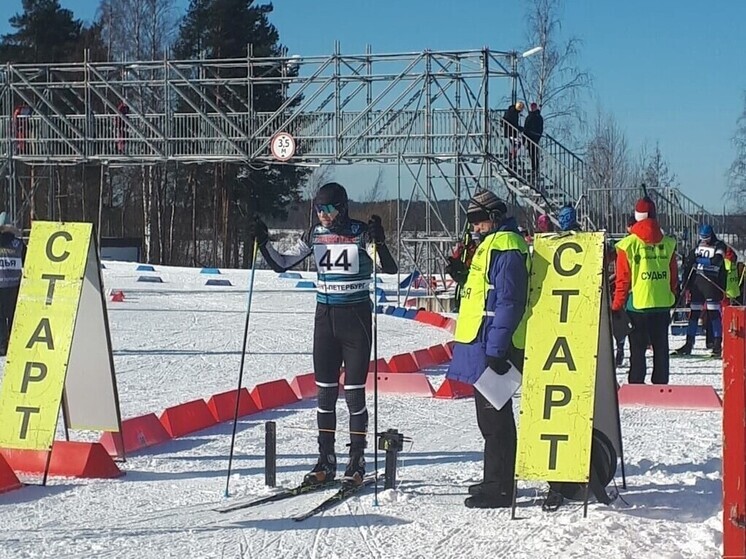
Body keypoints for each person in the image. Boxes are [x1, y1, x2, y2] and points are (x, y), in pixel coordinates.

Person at [251, 182, 397, 487]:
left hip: (355, 319)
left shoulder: (359, 232)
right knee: (325, 394)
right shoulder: (314, 234)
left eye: (329, 209)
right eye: (319, 209)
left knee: (354, 394)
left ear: (342, 208)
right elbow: (282, 263)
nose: (324, 215)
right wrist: (263, 242)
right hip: (325, 320)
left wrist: (379, 242)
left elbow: (389, 268)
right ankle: (325, 459)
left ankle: (357, 460)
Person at [445, 189, 530, 509]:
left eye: (479, 220)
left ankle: (500, 487)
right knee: (490, 419)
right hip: (482, 342)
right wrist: (462, 276)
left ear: (495, 217)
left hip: (494, 346)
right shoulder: (491, 245)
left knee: (495, 420)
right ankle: (495, 477)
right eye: (471, 221)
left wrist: (497, 348)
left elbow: (510, 300)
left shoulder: (506, 245)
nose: (475, 227)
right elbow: (486, 293)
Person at [612, 197, 678, 384]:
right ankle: (661, 383)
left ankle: (636, 382)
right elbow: (674, 275)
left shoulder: (628, 244)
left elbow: (623, 280)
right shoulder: (668, 243)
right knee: (661, 349)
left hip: (637, 306)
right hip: (663, 304)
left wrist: (617, 305)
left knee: (638, 349)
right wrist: (671, 294)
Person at [673, 224, 727, 358]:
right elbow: (690, 260)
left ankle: (717, 344)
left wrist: (698, 259)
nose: (704, 240)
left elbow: (717, 261)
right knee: (694, 314)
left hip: (711, 284)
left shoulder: (719, 245)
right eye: (702, 237)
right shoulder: (699, 245)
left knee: (713, 314)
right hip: (697, 283)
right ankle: (689, 343)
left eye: (706, 238)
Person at [0, 213, 26, 356]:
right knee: (13, 315)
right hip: (14, 284)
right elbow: (27, 258)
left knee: (0, 318)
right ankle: (15, 343)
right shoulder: (18, 243)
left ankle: (2, 345)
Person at [523, 102, 544, 186]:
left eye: (533, 107)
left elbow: (540, 128)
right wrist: (524, 139)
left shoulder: (536, 117)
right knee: (533, 154)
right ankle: (534, 169)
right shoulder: (532, 117)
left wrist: (537, 136)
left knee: (534, 154)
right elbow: (526, 128)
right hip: (530, 137)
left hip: (533, 137)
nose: (532, 108)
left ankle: (535, 169)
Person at [502, 101, 524, 172]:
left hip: (512, 132)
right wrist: (517, 127)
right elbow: (510, 122)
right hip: (510, 132)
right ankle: (510, 158)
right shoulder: (512, 113)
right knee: (516, 144)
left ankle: (511, 158)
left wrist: (518, 128)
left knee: (516, 144)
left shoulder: (513, 112)